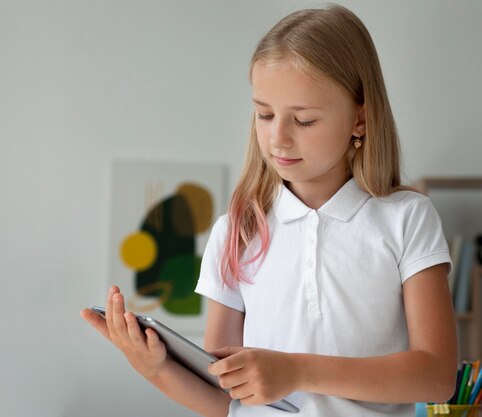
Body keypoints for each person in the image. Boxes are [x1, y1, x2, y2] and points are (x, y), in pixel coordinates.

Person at [81, 4, 457, 416]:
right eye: (264, 114)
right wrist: (153, 368)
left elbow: (436, 376)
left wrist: (296, 370)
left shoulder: (406, 218)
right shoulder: (236, 231)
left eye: (305, 120)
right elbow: (225, 400)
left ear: (360, 119)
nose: (278, 138)